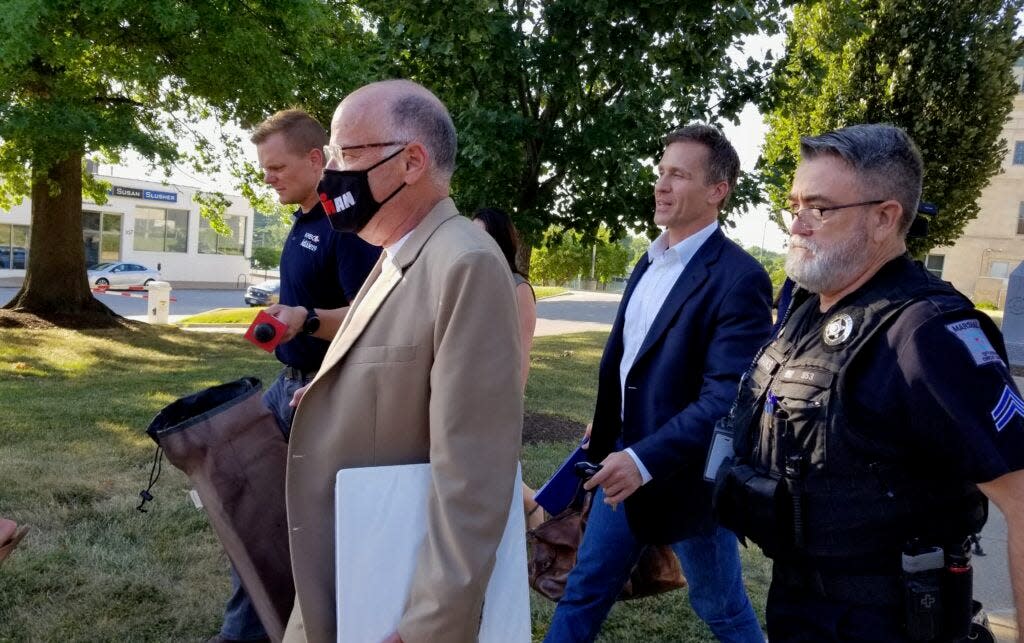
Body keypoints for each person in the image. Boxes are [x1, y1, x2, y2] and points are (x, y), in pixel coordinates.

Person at [713, 123, 1024, 641]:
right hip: (800, 606)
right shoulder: (808, 310)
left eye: (820, 208)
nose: (798, 224)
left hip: (887, 621)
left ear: (885, 218)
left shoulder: (926, 332)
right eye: (795, 206)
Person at [283, 80, 523, 643]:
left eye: (348, 153)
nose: (331, 173)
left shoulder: (464, 263)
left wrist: (427, 629)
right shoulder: (398, 254)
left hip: (391, 598)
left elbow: (474, 476)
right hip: (355, 567)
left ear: (411, 161)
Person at [544, 124, 772, 643]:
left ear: (718, 190)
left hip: (687, 478)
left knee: (720, 606)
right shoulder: (648, 261)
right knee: (585, 588)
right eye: (661, 172)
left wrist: (645, 459)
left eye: (679, 175)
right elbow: (631, 364)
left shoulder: (740, 278)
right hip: (622, 462)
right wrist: (610, 427)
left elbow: (727, 398)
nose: (661, 186)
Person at [211, 109, 380, 643]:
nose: (268, 177)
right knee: (258, 517)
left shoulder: (344, 226)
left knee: (282, 525)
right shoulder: (305, 219)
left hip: (320, 395)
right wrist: (283, 318)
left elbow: (369, 318)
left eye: (277, 167)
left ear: (316, 159)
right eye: (264, 169)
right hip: (288, 387)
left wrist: (305, 321)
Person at [471, 207, 546, 529]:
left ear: (501, 242)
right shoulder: (476, 283)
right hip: (469, 393)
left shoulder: (518, 288)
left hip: (498, 398)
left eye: (482, 236)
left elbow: (521, 351)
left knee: (497, 470)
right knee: (483, 470)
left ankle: (538, 519)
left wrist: (508, 402)